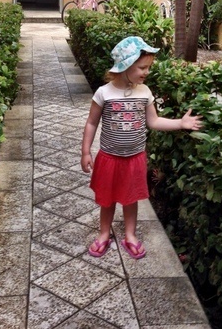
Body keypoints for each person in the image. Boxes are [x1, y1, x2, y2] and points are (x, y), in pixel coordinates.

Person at [81, 36, 202, 259]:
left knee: (131, 198)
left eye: (148, 67)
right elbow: (91, 122)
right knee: (107, 199)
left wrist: (180, 124)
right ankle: (104, 234)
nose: (146, 72)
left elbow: (154, 121)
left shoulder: (144, 92)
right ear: (125, 65)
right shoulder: (104, 93)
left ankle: (130, 235)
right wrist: (86, 151)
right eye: (142, 67)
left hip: (135, 157)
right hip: (109, 157)